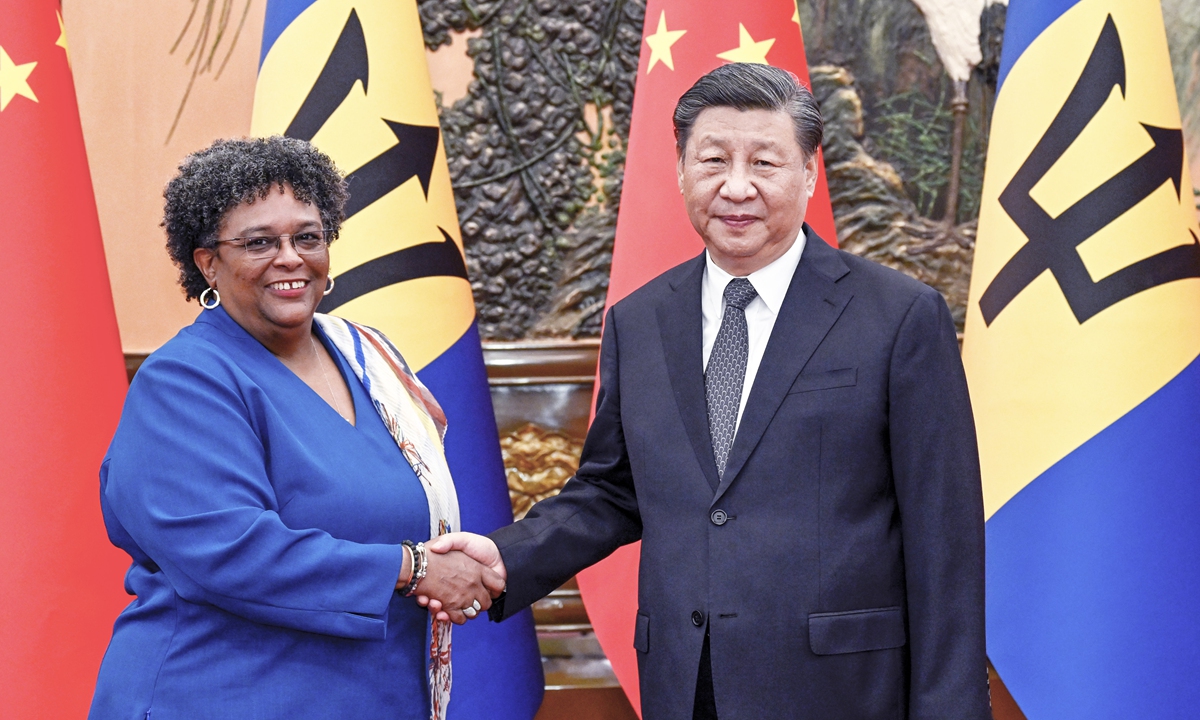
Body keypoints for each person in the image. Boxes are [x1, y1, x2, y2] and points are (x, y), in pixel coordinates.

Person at [424, 64, 991, 719]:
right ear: (681, 169)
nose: (737, 186)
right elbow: (612, 491)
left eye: (765, 162)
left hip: (843, 691)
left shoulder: (897, 316)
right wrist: (502, 557)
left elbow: (943, 542)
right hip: (688, 686)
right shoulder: (639, 321)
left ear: (809, 172)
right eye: (714, 159)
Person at [90, 136, 501, 720]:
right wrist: (413, 569)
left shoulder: (368, 357)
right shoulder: (183, 381)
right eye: (259, 242)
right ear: (207, 261)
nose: (290, 258)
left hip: (369, 692)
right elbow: (229, 549)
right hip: (225, 695)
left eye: (307, 237)